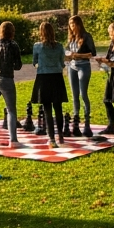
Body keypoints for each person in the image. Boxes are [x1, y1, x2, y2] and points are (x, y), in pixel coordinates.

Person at [31, 20, 68, 148]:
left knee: (47, 109)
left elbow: (34, 62)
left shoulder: (37, 46)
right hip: (57, 77)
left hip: (43, 77)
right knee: (58, 107)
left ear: (41, 33)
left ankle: (51, 138)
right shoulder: (59, 46)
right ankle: (61, 134)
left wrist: (40, 65)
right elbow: (62, 63)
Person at [66, 14, 97, 138]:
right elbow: (67, 50)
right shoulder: (71, 37)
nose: (72, 27)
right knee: (74, 95)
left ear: (79, 24)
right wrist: (68, 55)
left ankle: (87, 120)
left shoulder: (86, 36)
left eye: (73, 24)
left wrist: (78, 55)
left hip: (84, 66)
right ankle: (76, 120)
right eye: (70, 25)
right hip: (72, 67)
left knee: (83, 94)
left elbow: (92, 53)